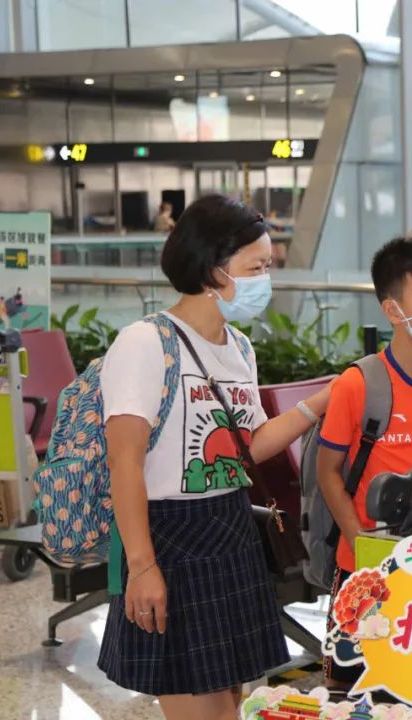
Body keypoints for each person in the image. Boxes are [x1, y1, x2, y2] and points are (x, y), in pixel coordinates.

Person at [97, 195, 332, 720]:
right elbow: (124, 461)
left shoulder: (239, 347)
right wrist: (142, 567)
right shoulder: (146, 343)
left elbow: (248, 448)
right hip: (167, 536)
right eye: (255, 267)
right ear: (212, 271)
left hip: (228, 528)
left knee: (231, 706)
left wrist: (318, 404)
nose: (264, 279)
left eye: (268, 266)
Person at [316, 236, 412, 686]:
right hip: (366, 569)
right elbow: (329, 473)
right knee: (354, 689)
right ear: (393, 310)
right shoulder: (359, 384)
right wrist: (364, 548)